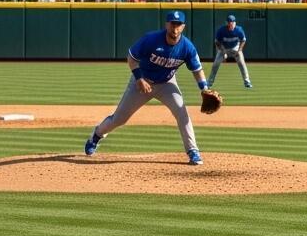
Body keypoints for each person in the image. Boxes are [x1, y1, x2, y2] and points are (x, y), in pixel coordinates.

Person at [84, 11, 212, 166]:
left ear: (183, 27)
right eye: (172, 23)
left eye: (178, 24)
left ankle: (193, 151)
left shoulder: (187, 47)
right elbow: (131, 58)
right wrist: (139, 78)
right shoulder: (151, 39)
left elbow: (197, 70)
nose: (175, 28)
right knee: (119, 119)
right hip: (142, 82)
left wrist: (204, 88)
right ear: (166, 24)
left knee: (182, 112)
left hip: (167, 83)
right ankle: (96, 136)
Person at [209, 14, 252, 89]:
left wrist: (239, 50)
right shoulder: (221, 30)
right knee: (215, 64)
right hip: (224, 48)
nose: (231, 24)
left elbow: (243, 40)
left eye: (232, 22)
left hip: (235, 48)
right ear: (227, 23)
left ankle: (247, 82)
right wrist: (223, 52)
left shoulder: (239, 30)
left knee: (242, 63)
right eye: (230, 22)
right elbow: (217, 42)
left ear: (235, 23)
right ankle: (209, 82)